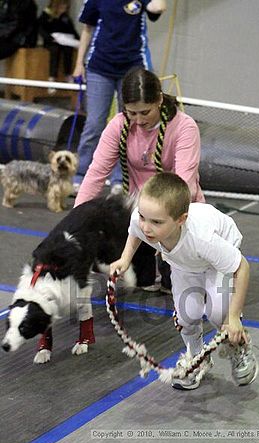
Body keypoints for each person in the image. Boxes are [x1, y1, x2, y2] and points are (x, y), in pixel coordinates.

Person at [110, 172, 259, 390]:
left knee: (220, 313)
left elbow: (242, 267)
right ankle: (197, 358)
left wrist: (234, 317)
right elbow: (135, 232)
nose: (146, 227)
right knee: (187, 314)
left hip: (216, 262)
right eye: (143, 217)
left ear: (181, 220)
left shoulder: (202, 239)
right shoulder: (142, 220)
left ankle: (238, 345)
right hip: (184, 263)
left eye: (156, 222)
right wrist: (124, 259)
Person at [74, 67, 205, 291]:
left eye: (145, 112)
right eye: (131, 113)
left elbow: (186, 185)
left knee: (172, 287)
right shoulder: (117, 125)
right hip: (139, 213)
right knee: (142, 284)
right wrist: (76, 220)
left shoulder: (185, 127)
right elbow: (96, 173)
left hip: (177, 212)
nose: (138, 120)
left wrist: (163, 228)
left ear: (160, 100)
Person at [73, 0, 167, 185]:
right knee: (94, 124)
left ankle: (121, 178)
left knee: (129, 125)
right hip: (99, 67)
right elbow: (87, 30)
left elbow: (158, 7)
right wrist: (78, 64)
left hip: (132, 68)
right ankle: (81, 174)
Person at [38, 0, 79, 93]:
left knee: (68, 50)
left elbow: (72, 30)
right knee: (55, 51)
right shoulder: (46, 14)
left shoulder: (65, 17)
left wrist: (79, 40)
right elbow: (41, 29)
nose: (64, 8)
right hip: (51, 41)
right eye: (63, 6)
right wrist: (50, 38)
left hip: (64, 41)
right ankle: (52, 78)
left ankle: (68, 74)